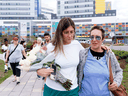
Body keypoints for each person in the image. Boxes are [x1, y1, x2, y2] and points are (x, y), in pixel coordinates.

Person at [78, 26, 123, 96]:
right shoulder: (82, 54)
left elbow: (119, 71)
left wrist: (117, 83)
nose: (94, 40)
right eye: (92, 37)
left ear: (103, 39)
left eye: (98, 37)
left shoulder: (109, 55)